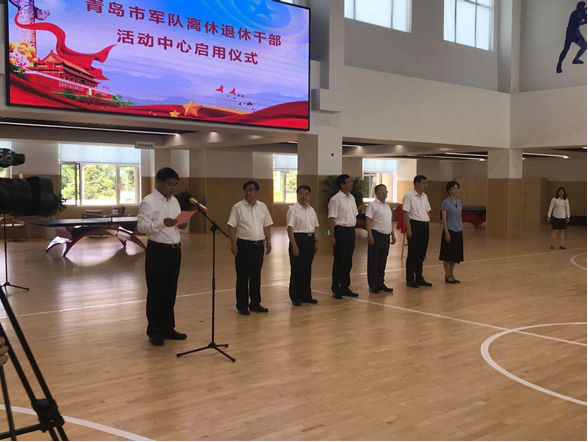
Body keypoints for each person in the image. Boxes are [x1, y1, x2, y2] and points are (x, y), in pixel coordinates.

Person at [137, 167, 188, 346]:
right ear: (159, 182)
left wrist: (181, 226)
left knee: (170, 291)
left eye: (175, 185)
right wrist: (161, 224)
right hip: (157, 251)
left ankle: (168, 328)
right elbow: (141, 227)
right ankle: (154, 331)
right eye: (169, 184)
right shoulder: (148, 202)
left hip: (175, 250)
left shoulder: (175, 201)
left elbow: (177, 224)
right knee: (156, 291)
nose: (172, 188)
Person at [228, 181, 273, 316]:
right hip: (244, 246)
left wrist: (268, 241)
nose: (248, 192)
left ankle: (255, 303)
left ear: (256, 192)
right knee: (243, 277)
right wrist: (233, 244)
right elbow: (231, 226)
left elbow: (266, 225)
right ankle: (242, 305)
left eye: (251, 190)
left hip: (258, 246)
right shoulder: (238, 207)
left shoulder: (263, 207)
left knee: (256, 276)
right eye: (246, 190)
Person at [287, 185, 319, 306]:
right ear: (297, 195)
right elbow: (290, 228)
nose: (303, 196)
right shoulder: (293, 210)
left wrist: (316, 241)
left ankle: (306, 295)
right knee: (297, 269)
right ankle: (295, 296)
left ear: (309, 196)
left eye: (306, 194)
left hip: (310, 241)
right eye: (301, 194)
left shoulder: (311, 210)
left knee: (307, 269)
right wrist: (294, 245)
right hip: (298, 240)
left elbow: (316, 227)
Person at [328, 174, 359, 299]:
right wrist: (331, 236)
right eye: (349, 182)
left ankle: (345, 287)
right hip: (340, 231)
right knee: (339, 261)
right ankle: (336, 288)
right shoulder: (335, 199)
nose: (351, 184)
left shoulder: (352, 198)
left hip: (350, 231)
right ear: (342, 185)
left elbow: (354, 216)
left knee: (348, 261)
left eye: (351, 181)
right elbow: (331, 219)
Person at [402, 175, 432, 289]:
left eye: (426, 183)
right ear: (416, 183)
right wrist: (409, 228)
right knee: (413, 253)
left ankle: (419, 277)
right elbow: (405, 213)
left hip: (424, 225)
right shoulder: (408, 196)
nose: (425, 185)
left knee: (421, 253)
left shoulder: (425, 196)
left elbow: (427, 211)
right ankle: (410, 279)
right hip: (414, 225)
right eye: (424, 183)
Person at [366, 184, 396, 294]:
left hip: (386, 236)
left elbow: (390, 221)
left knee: (382, 261)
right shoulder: (372, 205)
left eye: (385, 191)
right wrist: (370, 235)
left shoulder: (387, 206)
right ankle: (373, 284)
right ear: (376, 193)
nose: (384, 193)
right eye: (381, 191)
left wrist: (393, 234)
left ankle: (380, 282)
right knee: (373, 261)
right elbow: (368, 220)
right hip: (376, 235)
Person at [439, 181, 464, 284]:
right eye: (453, 188)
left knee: (455, 254)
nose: (456, 190)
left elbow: (460, 217)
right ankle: (447, 274)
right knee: (447, 254)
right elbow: (444, 219)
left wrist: (461, 228)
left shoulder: (459, 202)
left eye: (457, 188)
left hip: (458, 230)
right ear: (449, 190)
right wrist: (446, 232)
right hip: (450, 230)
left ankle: (452, 274)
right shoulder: (446, 202)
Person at [557, 1, 587, 73]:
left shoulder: (580, 13)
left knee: (584, 46)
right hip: (573, 33)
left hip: (572, 33)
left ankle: (575, 60)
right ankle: (559, 64)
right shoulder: (576, 13)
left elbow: (585, 20)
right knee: (566, 49)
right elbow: (581, 20)